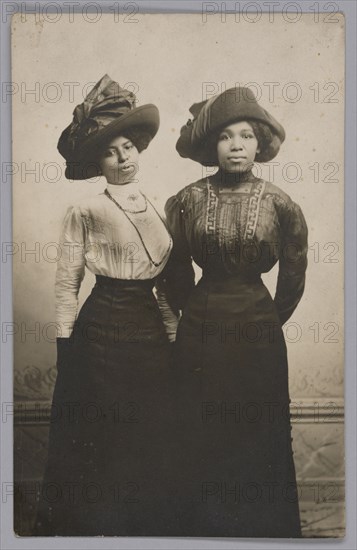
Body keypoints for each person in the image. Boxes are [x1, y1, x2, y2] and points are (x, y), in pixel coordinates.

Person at [34, 74, 178, 536]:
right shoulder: (86, 210)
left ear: (138, 147)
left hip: (149, 331)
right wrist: (64, 342)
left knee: (147, 430)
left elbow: (163, 286)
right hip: (102, 330)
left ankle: (143, 529)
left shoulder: (157, 205)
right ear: (99, 160)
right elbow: (66, 281)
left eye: (128, 148)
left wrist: (173, 335)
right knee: (104, 432)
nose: (123, 159)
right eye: (111, 152)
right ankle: (97, 529)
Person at [163, 86, 308, 537]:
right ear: (212, 147)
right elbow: (175, 269)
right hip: (201, 328)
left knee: (255, 428)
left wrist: (263, 320)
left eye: (246, 135)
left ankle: (262, 532)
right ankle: (202, 532)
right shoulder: (186, 200)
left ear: (260, 143)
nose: (237, 145)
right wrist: (197, 313)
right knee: (200, 426)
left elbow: (293, 273)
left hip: (258, 329)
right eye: (226, 137)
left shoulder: (281, 203)